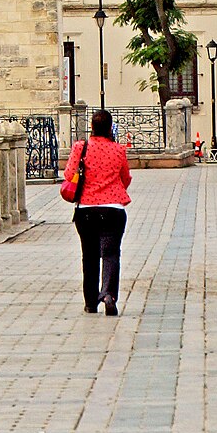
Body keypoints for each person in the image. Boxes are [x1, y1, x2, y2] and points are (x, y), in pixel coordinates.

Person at [60, 108, 132, 316]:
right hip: (113, 210)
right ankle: (109, 294)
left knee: (89, 256)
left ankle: (91, 302)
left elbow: (68, 174)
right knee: (110, 254)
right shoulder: (119, 150)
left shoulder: (80, 148)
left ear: (91, 127)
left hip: (87, 211)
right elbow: (125, 178)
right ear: (110, 128)